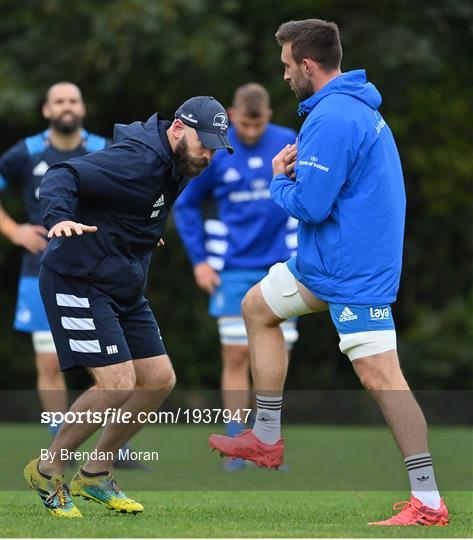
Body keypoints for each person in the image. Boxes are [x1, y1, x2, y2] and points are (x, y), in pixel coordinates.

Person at [209, 19, 449, 527]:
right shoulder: (350, 107)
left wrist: (277, 179)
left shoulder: (333, 117)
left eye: (287, 67)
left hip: (351, 271)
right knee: (257, 307)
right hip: (327, 263)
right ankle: (267, 437)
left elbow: (312, 208)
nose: (284, 77)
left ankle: (427, 501)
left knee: (382, 375)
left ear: (308, 65)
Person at [23, 96, 233, 517]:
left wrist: (142, 231)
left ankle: (95, 474)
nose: (207, 154)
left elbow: (138, 202)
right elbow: (63, 174)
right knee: (117, 383)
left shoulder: (179, 163)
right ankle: (47, 470)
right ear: (177, 128)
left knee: (158, 379)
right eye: (202, 143)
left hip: (120, 282)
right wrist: (59, 216)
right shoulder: (137, 159)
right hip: (78, 278)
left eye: (214, 147)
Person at [0, 82, 142, 469]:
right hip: (41, 272)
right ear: (46, 110)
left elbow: (129, 196)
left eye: (73, 100)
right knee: (48, 363)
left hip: (97, 270)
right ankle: (58, 438)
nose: (66, 106)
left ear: (83, 107)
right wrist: (14, 232)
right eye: (59, 101)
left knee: (106, 363)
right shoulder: (27, 152)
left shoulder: (102, 148)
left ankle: (111, 444)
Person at [174, 83, 298, 470]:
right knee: (235, 354)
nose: (249, 132)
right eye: (243, 124)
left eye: (256, 125)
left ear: (270, 117)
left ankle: (267, 439)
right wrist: (200, 261)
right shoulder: (218, 148)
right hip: (231, 268)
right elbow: (187, 203)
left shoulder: (288, 143)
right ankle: (236, 438)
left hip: (281, 265)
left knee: (277, 356)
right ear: (231, 115)